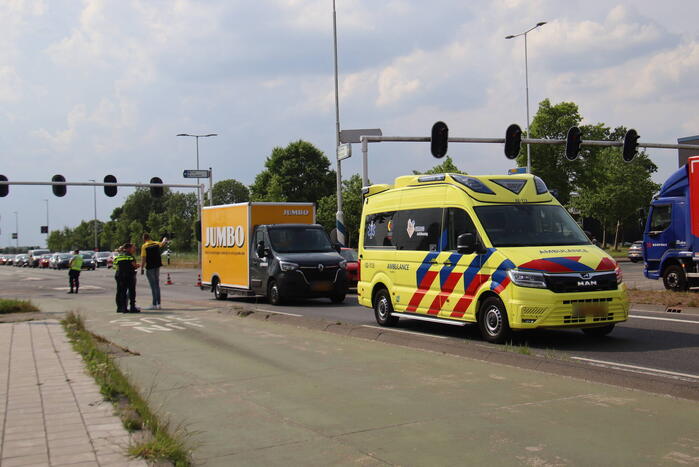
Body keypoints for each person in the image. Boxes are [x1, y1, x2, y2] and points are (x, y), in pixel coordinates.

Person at [140, 233, 169, 310]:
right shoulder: (156, 243)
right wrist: (164, 239)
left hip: (150, 267)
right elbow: (162, 243)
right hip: (157, 266)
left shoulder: (144, 246)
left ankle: (154, 304)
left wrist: (142, 268)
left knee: (153, 286)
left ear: (144, 239)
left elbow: (143, 258)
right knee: (157, 285)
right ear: (150, 237)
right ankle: (158, 304)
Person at [113, 243, 140, 313]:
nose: (133, 249)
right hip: (129, 275)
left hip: (120, 275)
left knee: (122, 292)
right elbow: (134, 265)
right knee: (132, 292)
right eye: (132, 248)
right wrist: (137, 266)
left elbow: (115, 266)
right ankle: (132, 307)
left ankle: (123, 308)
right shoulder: (130, 256)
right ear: (128, 248)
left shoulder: (118, 256)